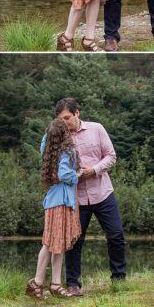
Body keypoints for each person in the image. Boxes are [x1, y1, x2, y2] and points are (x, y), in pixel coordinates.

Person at [51, 97, 127, 296]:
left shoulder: (97, 129)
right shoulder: (60, 138)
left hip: (102, 192)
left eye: (67, 117)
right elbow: (54, 164)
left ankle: (118, 279)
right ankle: (73, 284)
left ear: (77, 113)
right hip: (75, 197)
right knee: (74, 241)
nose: (65, 122)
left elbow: (111, 156)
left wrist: (93, 170)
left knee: (116, 234)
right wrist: (72, 175)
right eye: (61, 120)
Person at [26, 118, 82, 299]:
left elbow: (45, 139)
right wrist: (77, 175)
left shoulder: (48, 149)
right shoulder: (67, 151)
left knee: (54, 243)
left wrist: (51, 131)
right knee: (53, 243)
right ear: (65, 134)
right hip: (62, 201)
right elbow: (64, 173)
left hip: (53, 200)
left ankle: (50, 283)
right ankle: (41, 282)